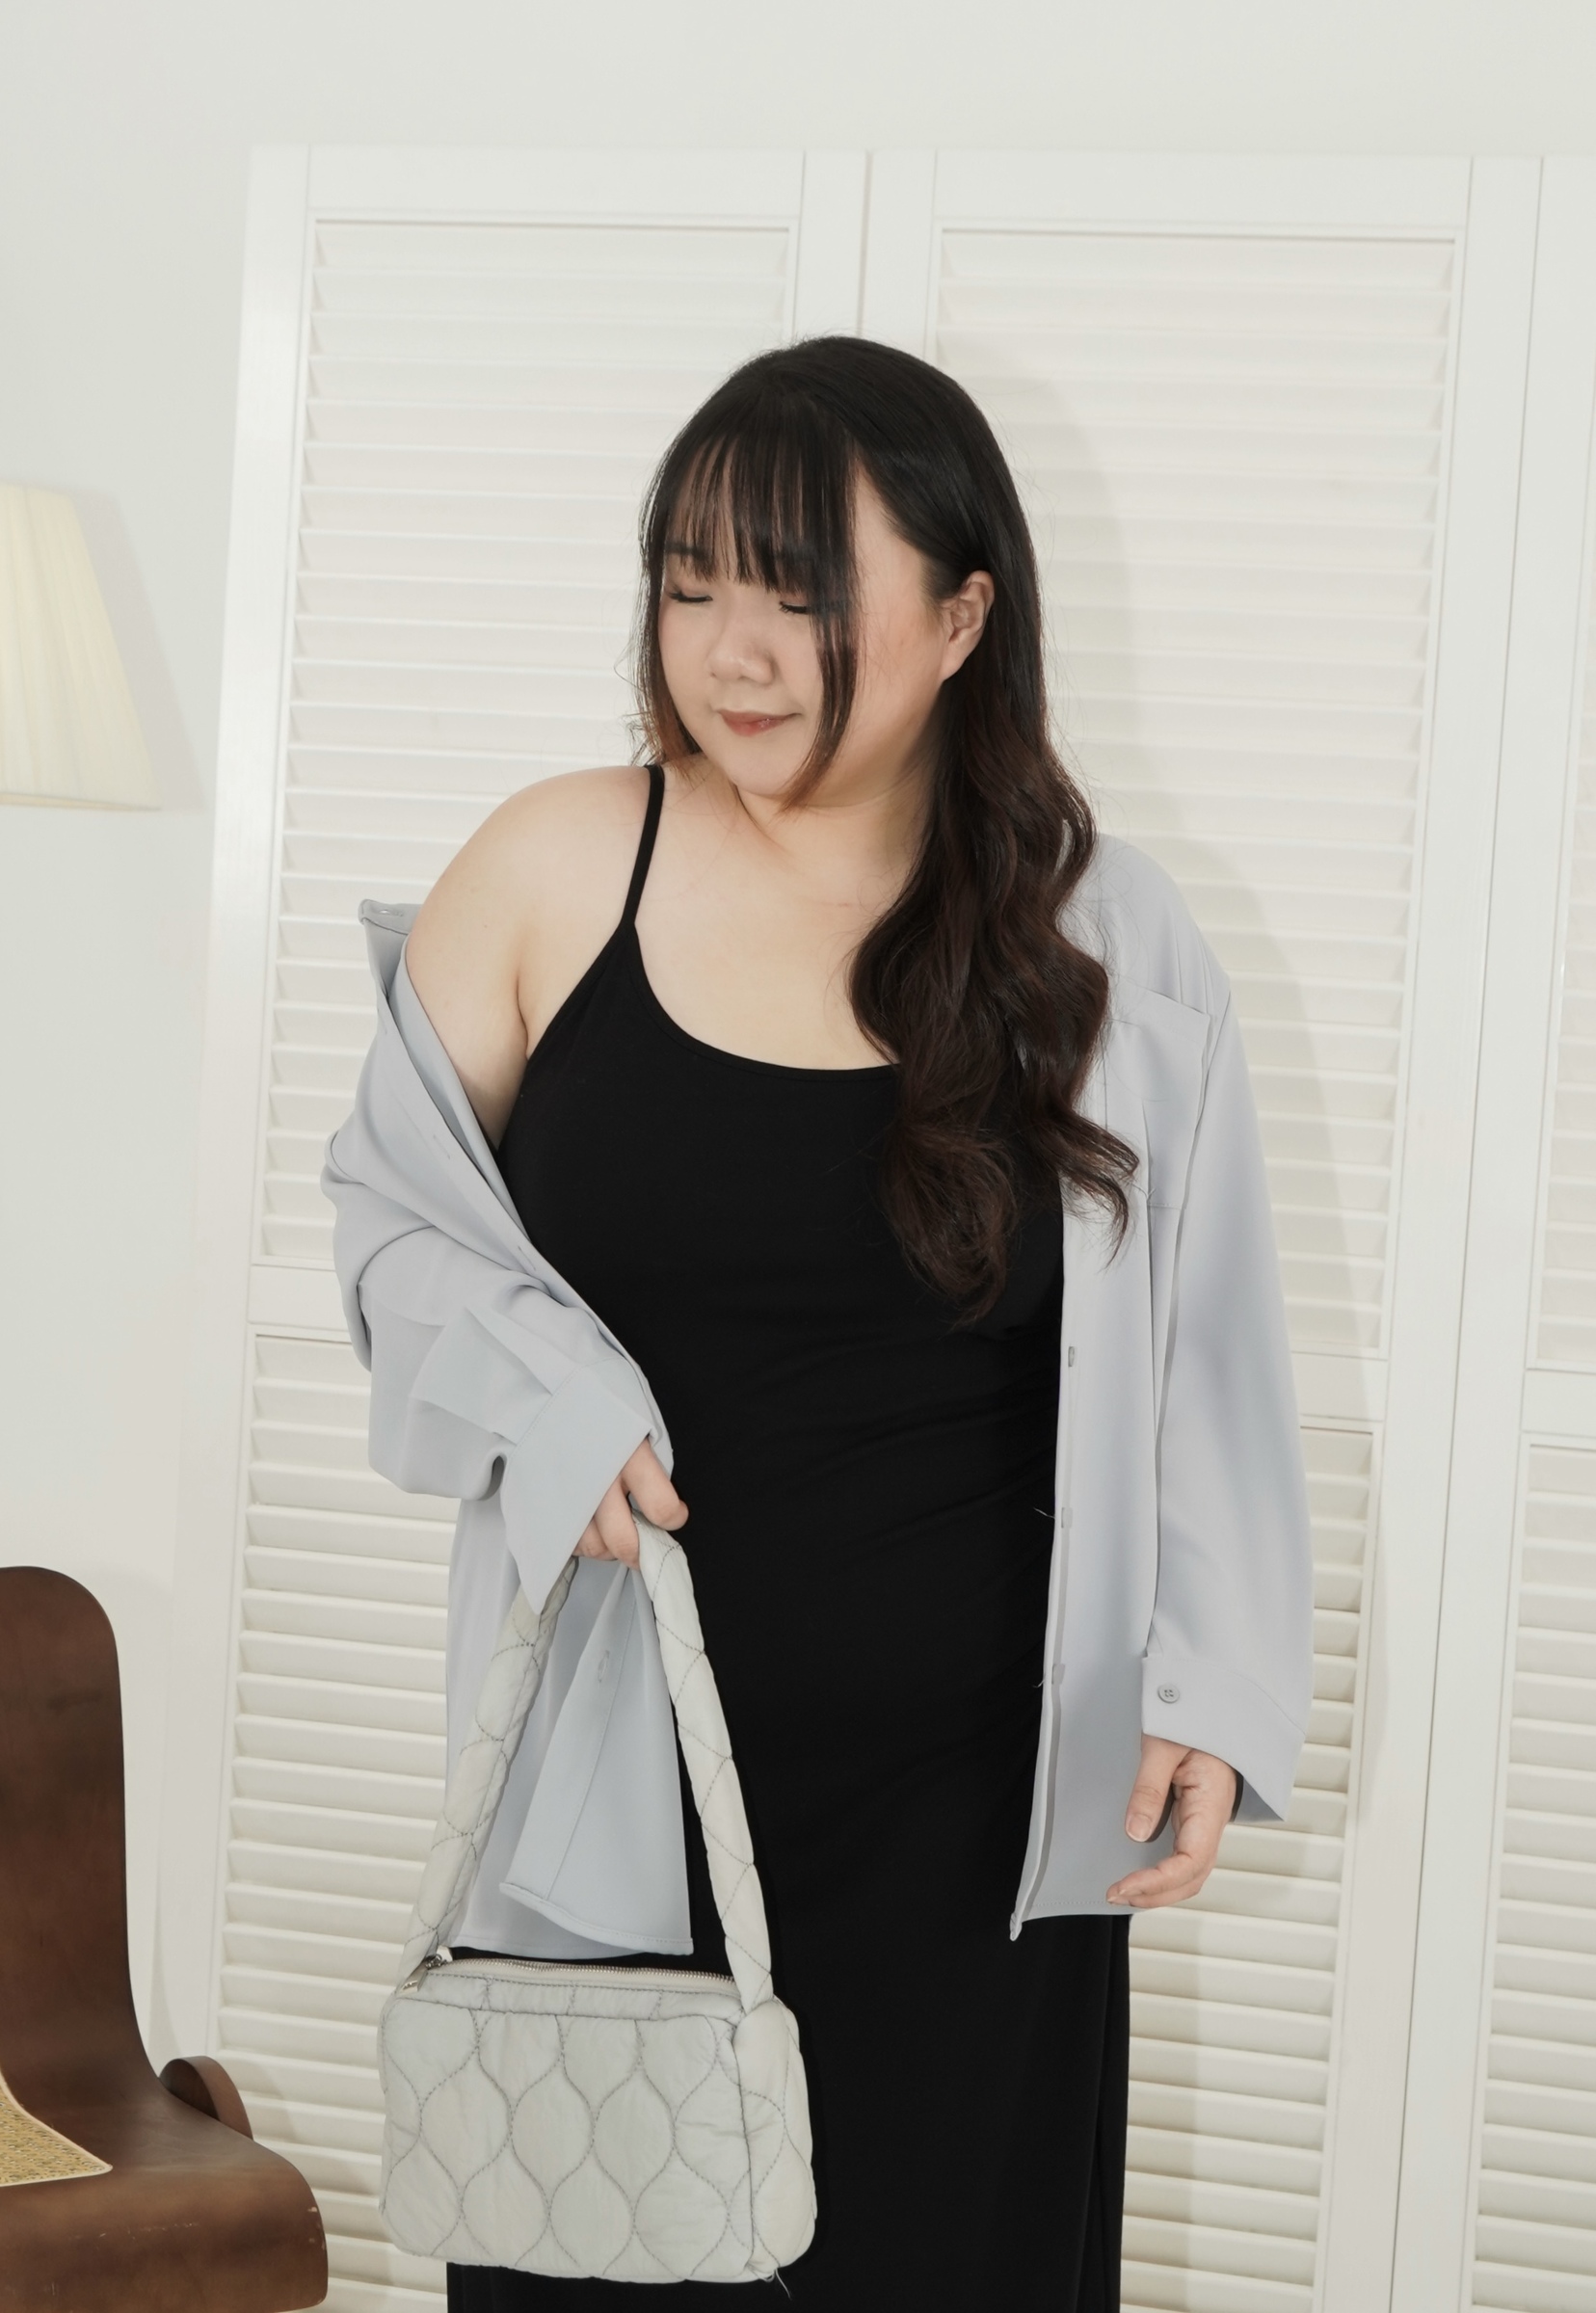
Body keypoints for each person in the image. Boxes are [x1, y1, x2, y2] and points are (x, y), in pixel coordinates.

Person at [323, 335, 1314, 2309]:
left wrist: (1212, 1684)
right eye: (692, 583)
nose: (735, 650)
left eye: (800, 593)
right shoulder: (555, 865)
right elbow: (392, 1225)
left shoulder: (1106, 935)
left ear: (962, 618)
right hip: (621, 1793)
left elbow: (1205, 1348)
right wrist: (550, 1395)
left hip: (974, 1827)